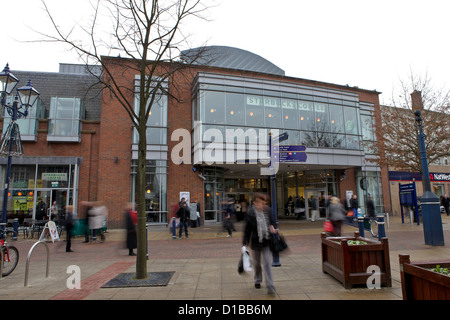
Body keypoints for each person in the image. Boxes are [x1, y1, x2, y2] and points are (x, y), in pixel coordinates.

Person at [242, 193, 278, 295]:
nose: (261, 205)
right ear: (254, 203)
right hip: (255, 242)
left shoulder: (268, 210)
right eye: (259, 202)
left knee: (267, 263)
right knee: (257, 264)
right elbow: (247, 230)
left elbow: (273, 222)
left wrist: (273, 227)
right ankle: (258, 280)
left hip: (266, 241)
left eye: (263, 202)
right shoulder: (251, 213)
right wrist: (244, 243)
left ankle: (270, 286)